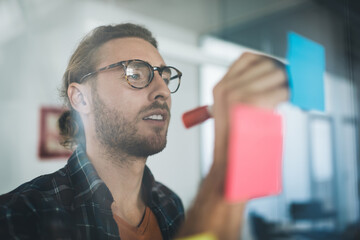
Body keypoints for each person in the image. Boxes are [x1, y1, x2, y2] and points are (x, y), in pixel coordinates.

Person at [0, 23, 288, 240]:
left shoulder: (170, 203)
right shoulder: (21, 215)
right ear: (81, 99)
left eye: (164, 75)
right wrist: (227, 161)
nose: (162, 90)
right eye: (135, 73)